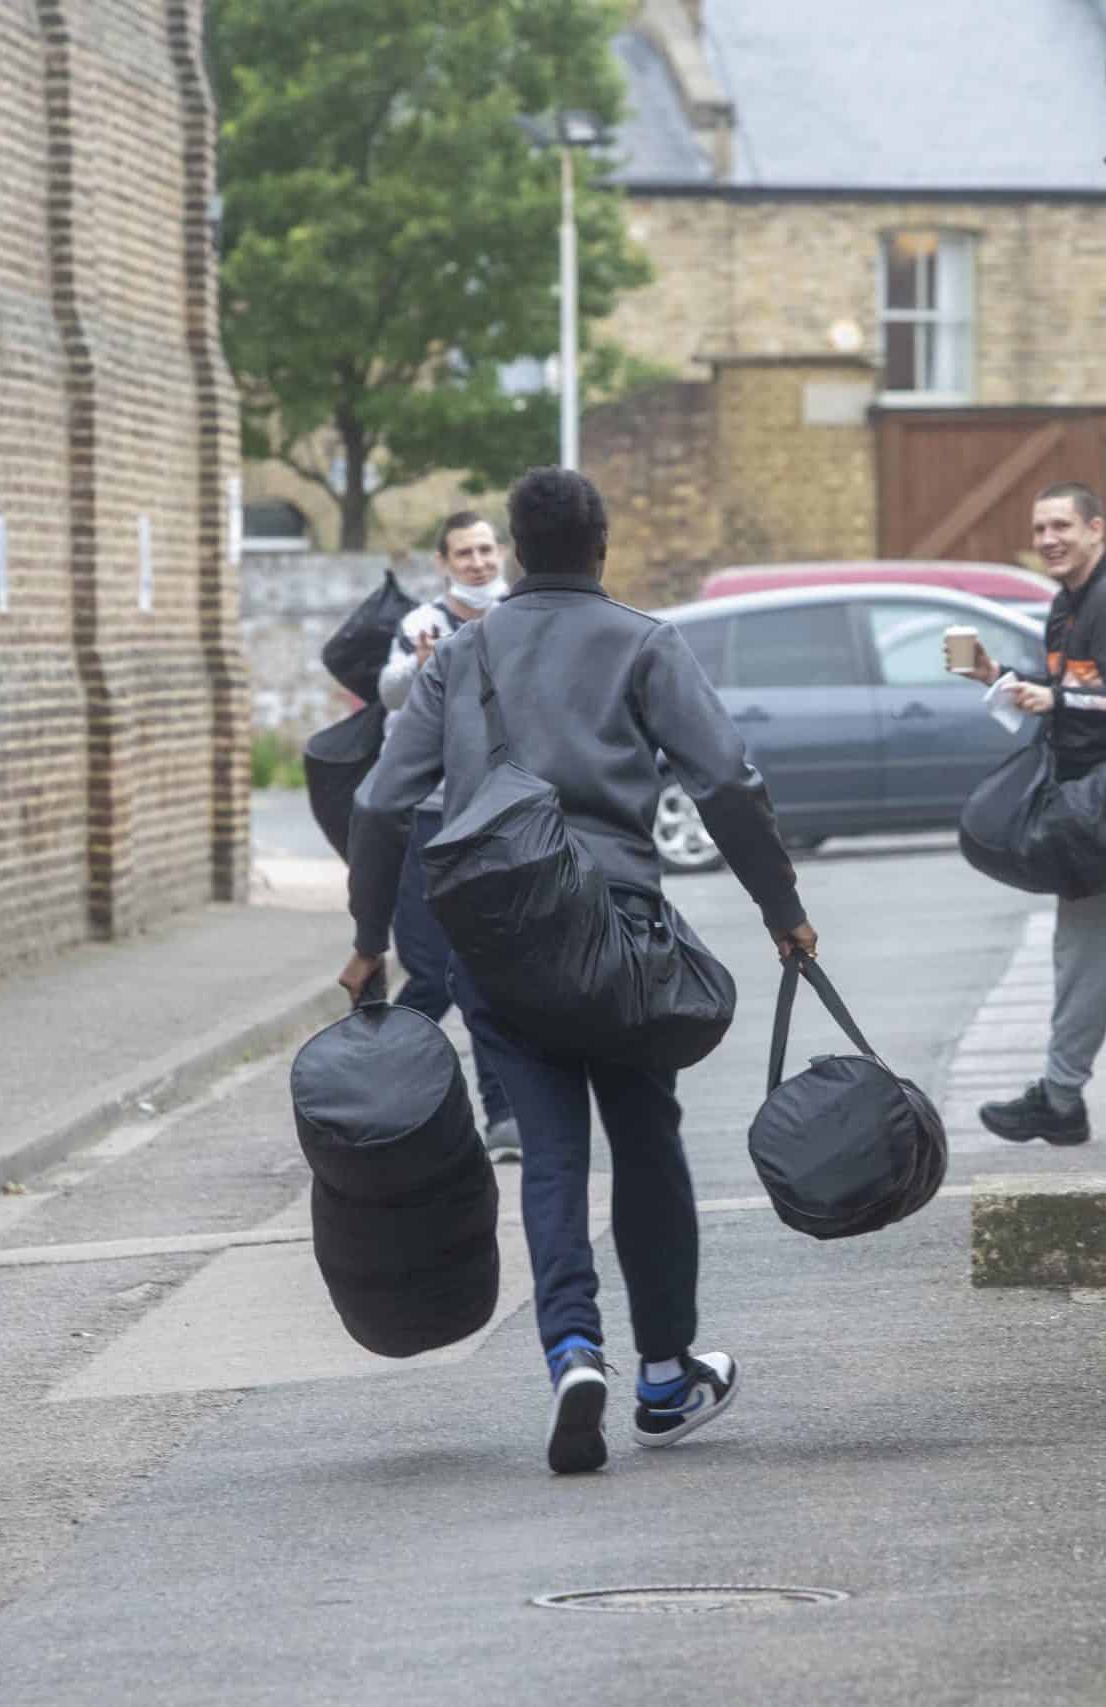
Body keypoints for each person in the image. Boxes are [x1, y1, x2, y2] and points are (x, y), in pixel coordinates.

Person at [337, 467, 818, 1476]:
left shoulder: (459, 657)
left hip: (498, 946)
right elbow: (726, 781)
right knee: (646, 1144)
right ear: (601, 548)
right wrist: (783, 913)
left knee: (551, 1157)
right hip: (620, 938)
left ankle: (570, 1352)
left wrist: (370, 934)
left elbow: (383, 802)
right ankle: (663, 1373)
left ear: (510, 550)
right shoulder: (644, 642)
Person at [956, 481, 1106, 1156]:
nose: (1049, 539)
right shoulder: (1065, 605)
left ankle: (1060, 1095)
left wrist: (1053, 699)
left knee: (1085, 952)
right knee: (1079, 950)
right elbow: (1074, 688)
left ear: (1096, 529)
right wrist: (1000, 676)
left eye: (1062, 526)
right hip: (1081, 798)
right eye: (1040, 528)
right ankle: (1060, 1093)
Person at [376, 511, 518, 1160]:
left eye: (487, 549)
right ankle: (373, 1074)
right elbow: (389, 696)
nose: (479, 562)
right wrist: (423, 668)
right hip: (431, 819)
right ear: (443, 562)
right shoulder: (420, 626)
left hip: (498, 815)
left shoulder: (523, 616)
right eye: (464, 553)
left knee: (490, 969)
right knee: (432, 970)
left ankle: (505, 1115)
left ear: (504, 553)